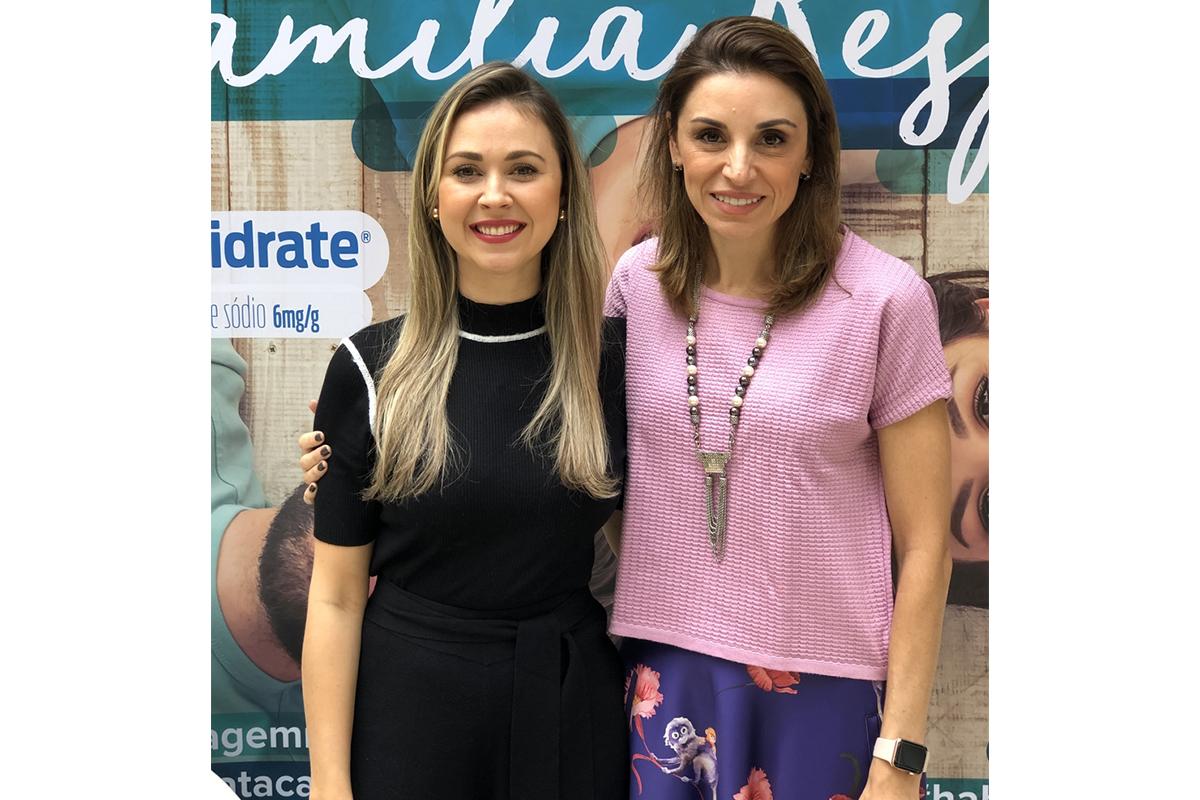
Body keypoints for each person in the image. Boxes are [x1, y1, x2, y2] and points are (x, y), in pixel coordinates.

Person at [304, 17, 953, 800]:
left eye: (772, 139)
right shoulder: (637, 289)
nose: (737, 167)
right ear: (674, 144)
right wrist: (350, 454)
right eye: (710, 135)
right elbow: (578, 471)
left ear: (812, 149)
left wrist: (901, 754)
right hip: (661, 676)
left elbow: (926, 546)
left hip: (822, 685)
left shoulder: (885, 298)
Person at [300, 62, 628, 800]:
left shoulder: (613, 362)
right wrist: (328, 783)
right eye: (467, 170)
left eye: (524, 169)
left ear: (565, 194)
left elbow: (657, 547)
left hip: (569, 710)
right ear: (433, 196)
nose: (495, 194)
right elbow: (336, 598)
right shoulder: (371, 368)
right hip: (409, 718)